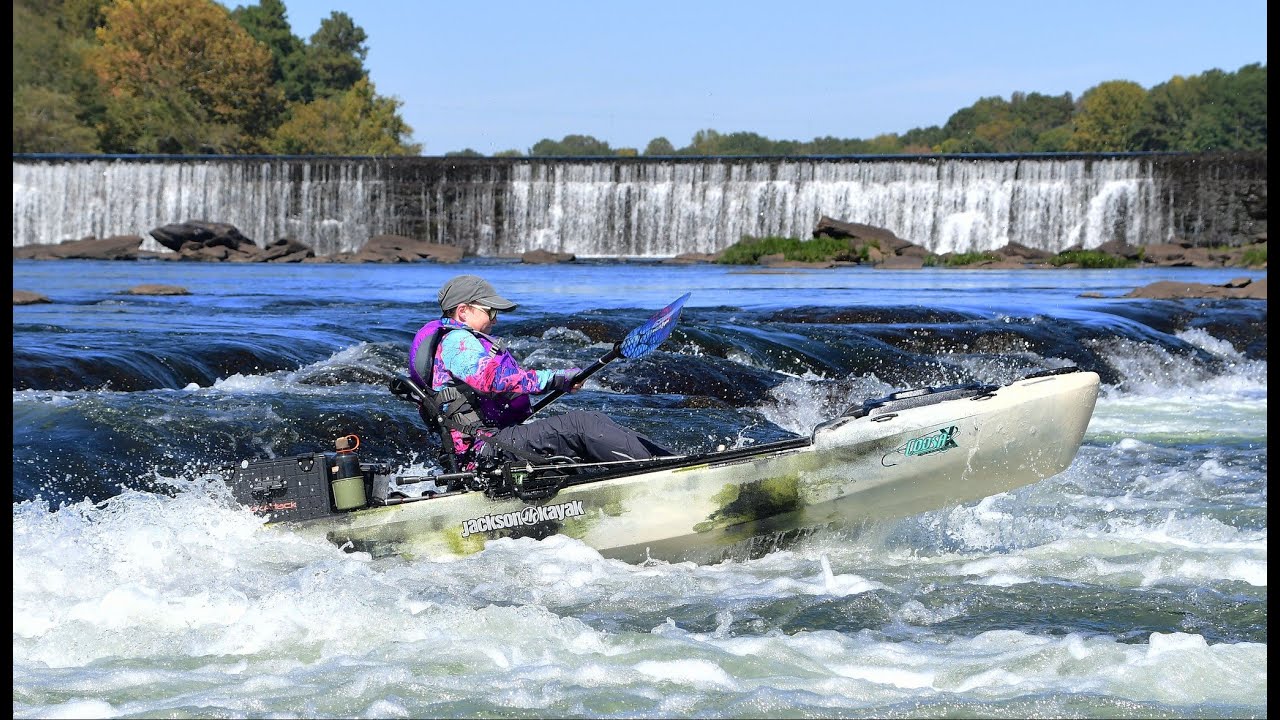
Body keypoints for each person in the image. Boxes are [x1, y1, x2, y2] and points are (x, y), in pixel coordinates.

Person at [408, 274, 670, 471]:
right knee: (580, 424)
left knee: (593, 421)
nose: (496, 319)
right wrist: (556, 378)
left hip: (489, 444)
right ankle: (660, 472)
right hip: (486, 449)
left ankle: (667, 460)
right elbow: (491, 380)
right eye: (491, 311)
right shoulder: (456, 342)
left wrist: (559, 385)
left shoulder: (457, 341)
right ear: (463, 311)